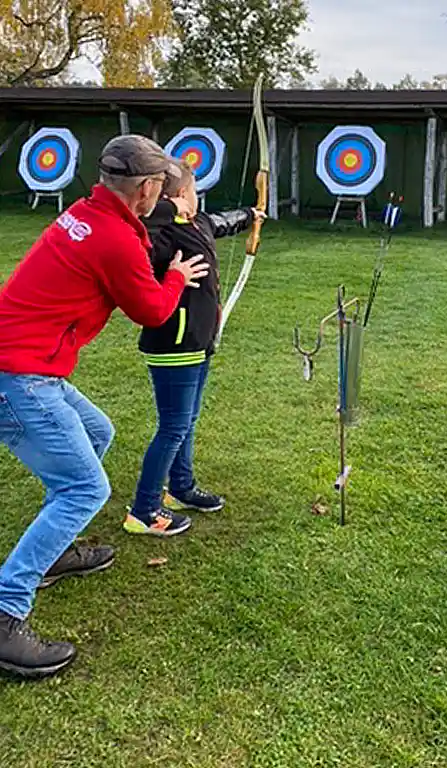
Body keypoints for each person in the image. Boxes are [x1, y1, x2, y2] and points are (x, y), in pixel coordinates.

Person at [0, 135, 209, 680]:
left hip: (27, 364)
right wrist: (175, 278)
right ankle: (5, 612)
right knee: (85, 488)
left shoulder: (85, 212)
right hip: (18, 374)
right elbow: (151, 311)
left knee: (98, 432)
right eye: (160, 186)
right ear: (145, 189)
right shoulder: (114, 238)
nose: (163, 194)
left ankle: (51, 554)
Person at [124, 158, 264, 536]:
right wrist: (169, 209)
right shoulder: (161, 232)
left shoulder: (196, 223)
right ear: (182, 195)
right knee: (172, 427)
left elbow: (218, 222)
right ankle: (144, 509)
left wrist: (252, 213)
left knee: (186, 421)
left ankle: (181, 489)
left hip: (198, 341)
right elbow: (137, 227)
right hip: (173, 341)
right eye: (193, 190)